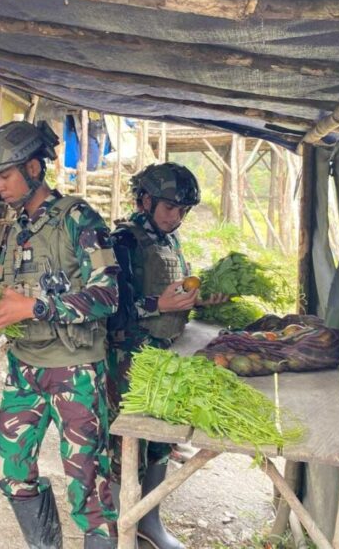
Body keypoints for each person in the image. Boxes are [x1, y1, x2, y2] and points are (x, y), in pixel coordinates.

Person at [0, 121, 120, 549]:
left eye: (5, 175)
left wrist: (35, 306)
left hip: (75, 372)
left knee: (88, 486)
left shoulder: (79, 218)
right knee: (10, 471)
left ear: (34, 168)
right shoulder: (18, 226)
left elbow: (108, 295)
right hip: (25, 368)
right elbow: (9, 291)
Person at [106, 162, 226, 549]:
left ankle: (150, 523)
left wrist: (200, 296)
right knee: (126, 444)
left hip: (164, 354)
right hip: (130, 359)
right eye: (170, 208)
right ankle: (116, 529)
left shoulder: (167, 240)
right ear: (145, 200)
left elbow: (175, 288)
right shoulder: (122, 242)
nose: (177, 218)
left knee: (160, 441)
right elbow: (112, 308)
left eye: (183, 211)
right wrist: (158, 303)